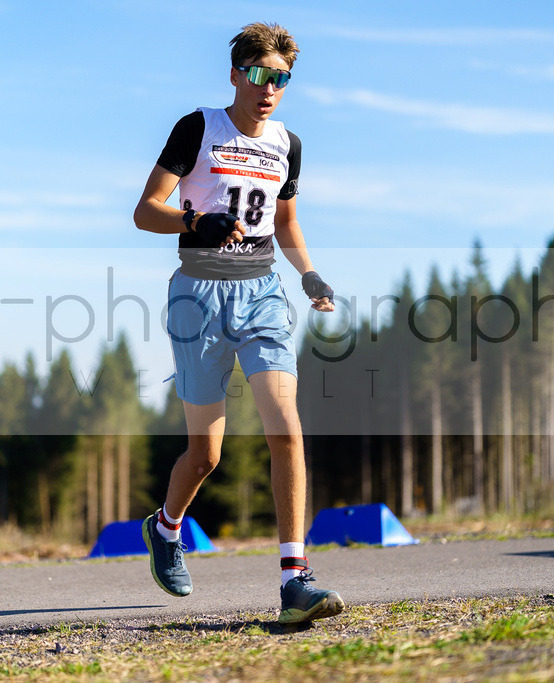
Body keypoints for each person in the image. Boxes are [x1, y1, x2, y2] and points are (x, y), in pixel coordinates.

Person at [132, 22, 343, 625]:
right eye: (259, 75)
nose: (269, 88)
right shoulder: (197, 127)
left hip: (262, 295)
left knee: (286, 430)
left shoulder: (288, 144)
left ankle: (295, 581)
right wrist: (193, 222)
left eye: (280, 78)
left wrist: (309, 275)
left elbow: (286, 224)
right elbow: (146, 212)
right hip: (197, 295)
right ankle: (167, 527)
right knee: (206, 455)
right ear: (236, 74)